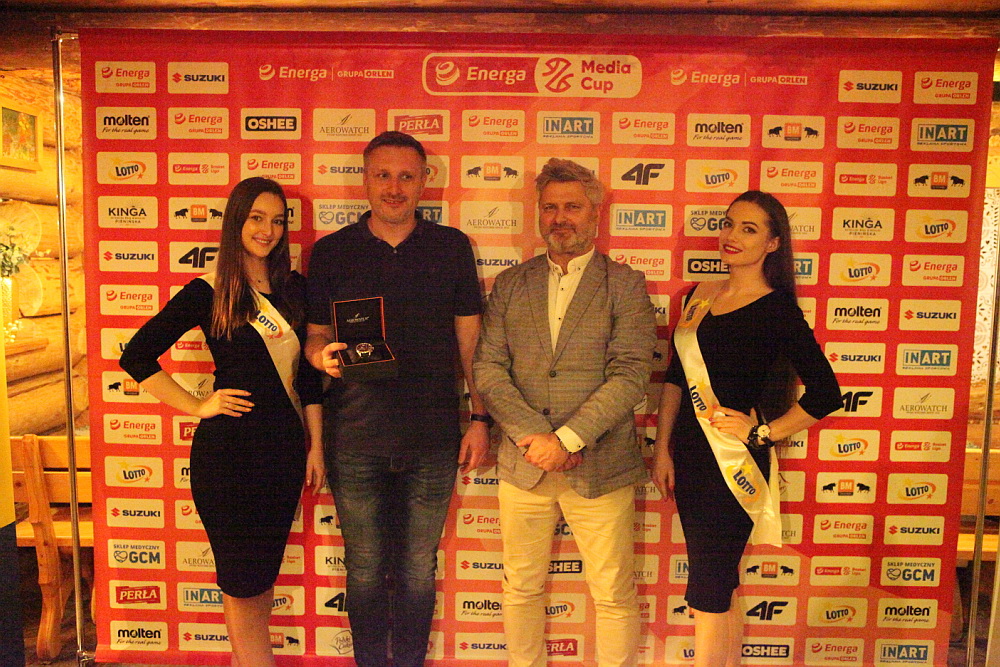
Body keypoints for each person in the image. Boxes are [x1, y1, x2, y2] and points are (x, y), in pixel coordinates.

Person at [119, 177, 324, 667]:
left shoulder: (295, 288)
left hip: (283, 453)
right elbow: (136, 355)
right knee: (241, 582)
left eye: (277, 221)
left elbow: (308, 379)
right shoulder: (208, 291)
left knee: (262, 579)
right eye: (256, 218)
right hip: (229, 457)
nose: (267, 230)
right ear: (236, 221)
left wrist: (316, 445)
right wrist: (196, 405)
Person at [304, 131, 489, 667]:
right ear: (364, 179)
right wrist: (320, 357)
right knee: (363, 569)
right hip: (353, 438)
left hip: (433, 440)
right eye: (382, 175)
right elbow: (315, 336)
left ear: (424, 181)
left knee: (416, 569)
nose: (394, 187)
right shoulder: (331, 252)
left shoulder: (451, 247)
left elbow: (471, 343)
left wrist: (480, 418)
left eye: (406, 176)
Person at [474, 158, 657, 667]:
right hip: (524, 463)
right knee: (520, 587)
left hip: (600, 464)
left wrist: (568, 440)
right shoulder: (511, 283)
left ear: (595, 213)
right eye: (550, 207)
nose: (560, 218)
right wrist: (536, 438)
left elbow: (631, 374)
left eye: (572, 206)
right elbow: (488, 368)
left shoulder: (625, 283)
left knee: (613, 593)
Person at [651, 190, 842, 666]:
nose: (731, 235)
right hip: (690, 459)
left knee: (708, 592)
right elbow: (676, 376)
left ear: (773, 244)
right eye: (729, 223)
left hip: (731, 465)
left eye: (748, 229)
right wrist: (662, 448)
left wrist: (762, 433)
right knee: (719, 586)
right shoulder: (700, 295)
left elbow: (825, 394)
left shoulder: (777, 309)